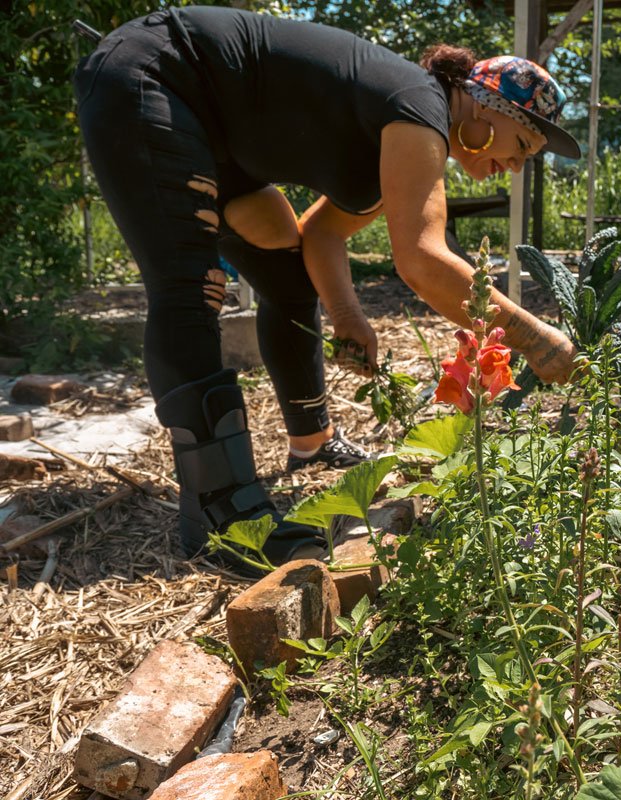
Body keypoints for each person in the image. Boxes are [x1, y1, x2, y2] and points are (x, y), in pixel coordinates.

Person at [73, 6, 581, 566]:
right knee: (192, 287)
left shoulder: (400, 133)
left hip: (213, 131)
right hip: (158, 77)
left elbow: (319, 236)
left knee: (287, 273)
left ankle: (310, 445)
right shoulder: (420, 107)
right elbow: (424, 262)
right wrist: (537, 339)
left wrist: (347, 316)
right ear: (489, 107)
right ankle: (222, 514)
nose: (516, 166)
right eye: (524, 146)